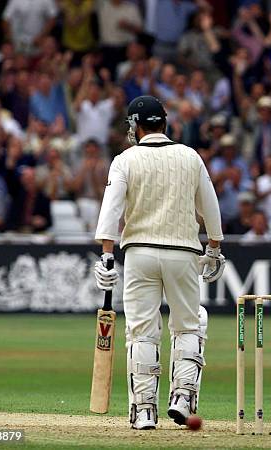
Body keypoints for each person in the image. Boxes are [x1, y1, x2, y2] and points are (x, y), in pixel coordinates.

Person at [93, 95, 225, 430]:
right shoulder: (189, 156)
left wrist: (107, 256)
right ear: (165, 123)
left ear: (136, 125)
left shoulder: (125, 159)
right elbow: (210, 206)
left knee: (141, 331)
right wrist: (213, 246)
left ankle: (145, 411)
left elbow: (110, 210)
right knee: (189, 325)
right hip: (183, 252)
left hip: (139, 253)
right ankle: (182, 397)